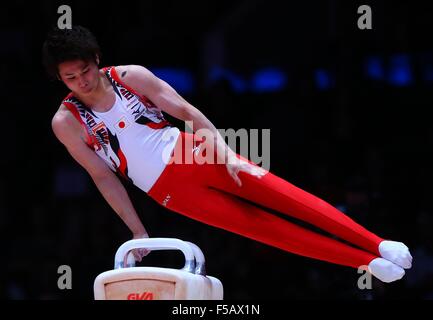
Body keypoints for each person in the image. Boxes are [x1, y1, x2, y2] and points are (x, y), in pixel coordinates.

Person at [44, 25, 412, 283]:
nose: (83, 82)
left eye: (85, 71)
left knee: (288, 198)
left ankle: (375, 242)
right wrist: (138, 231)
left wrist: (226, 153)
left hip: (195, 154)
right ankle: (366, 262)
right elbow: (103, 176)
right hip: (168, 192)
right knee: (266, 230)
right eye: (70, 78)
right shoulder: (67, 121)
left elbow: (188, 113)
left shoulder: (131, 77)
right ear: (60, 80)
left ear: (96, 58)